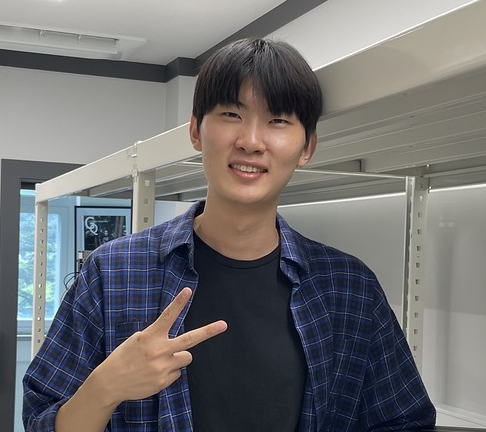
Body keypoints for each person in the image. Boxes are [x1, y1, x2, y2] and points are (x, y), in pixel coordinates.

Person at [23, 38, 436, 432]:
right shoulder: (114, 272)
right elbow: (42, 420)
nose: (251, 141)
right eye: (231, 115)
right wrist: (106, 387)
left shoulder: (349, 287)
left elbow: (404, 420)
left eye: (278, 120)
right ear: (196, 132)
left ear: (307, 147)